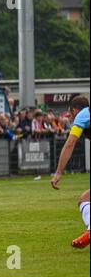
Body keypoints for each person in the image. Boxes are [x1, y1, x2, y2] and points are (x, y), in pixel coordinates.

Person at [51, 96, 90, 249]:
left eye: (70, 113)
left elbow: (70, 143)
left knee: (85, 200)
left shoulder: (82, 115)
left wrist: (59, 172)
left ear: (74, 110)